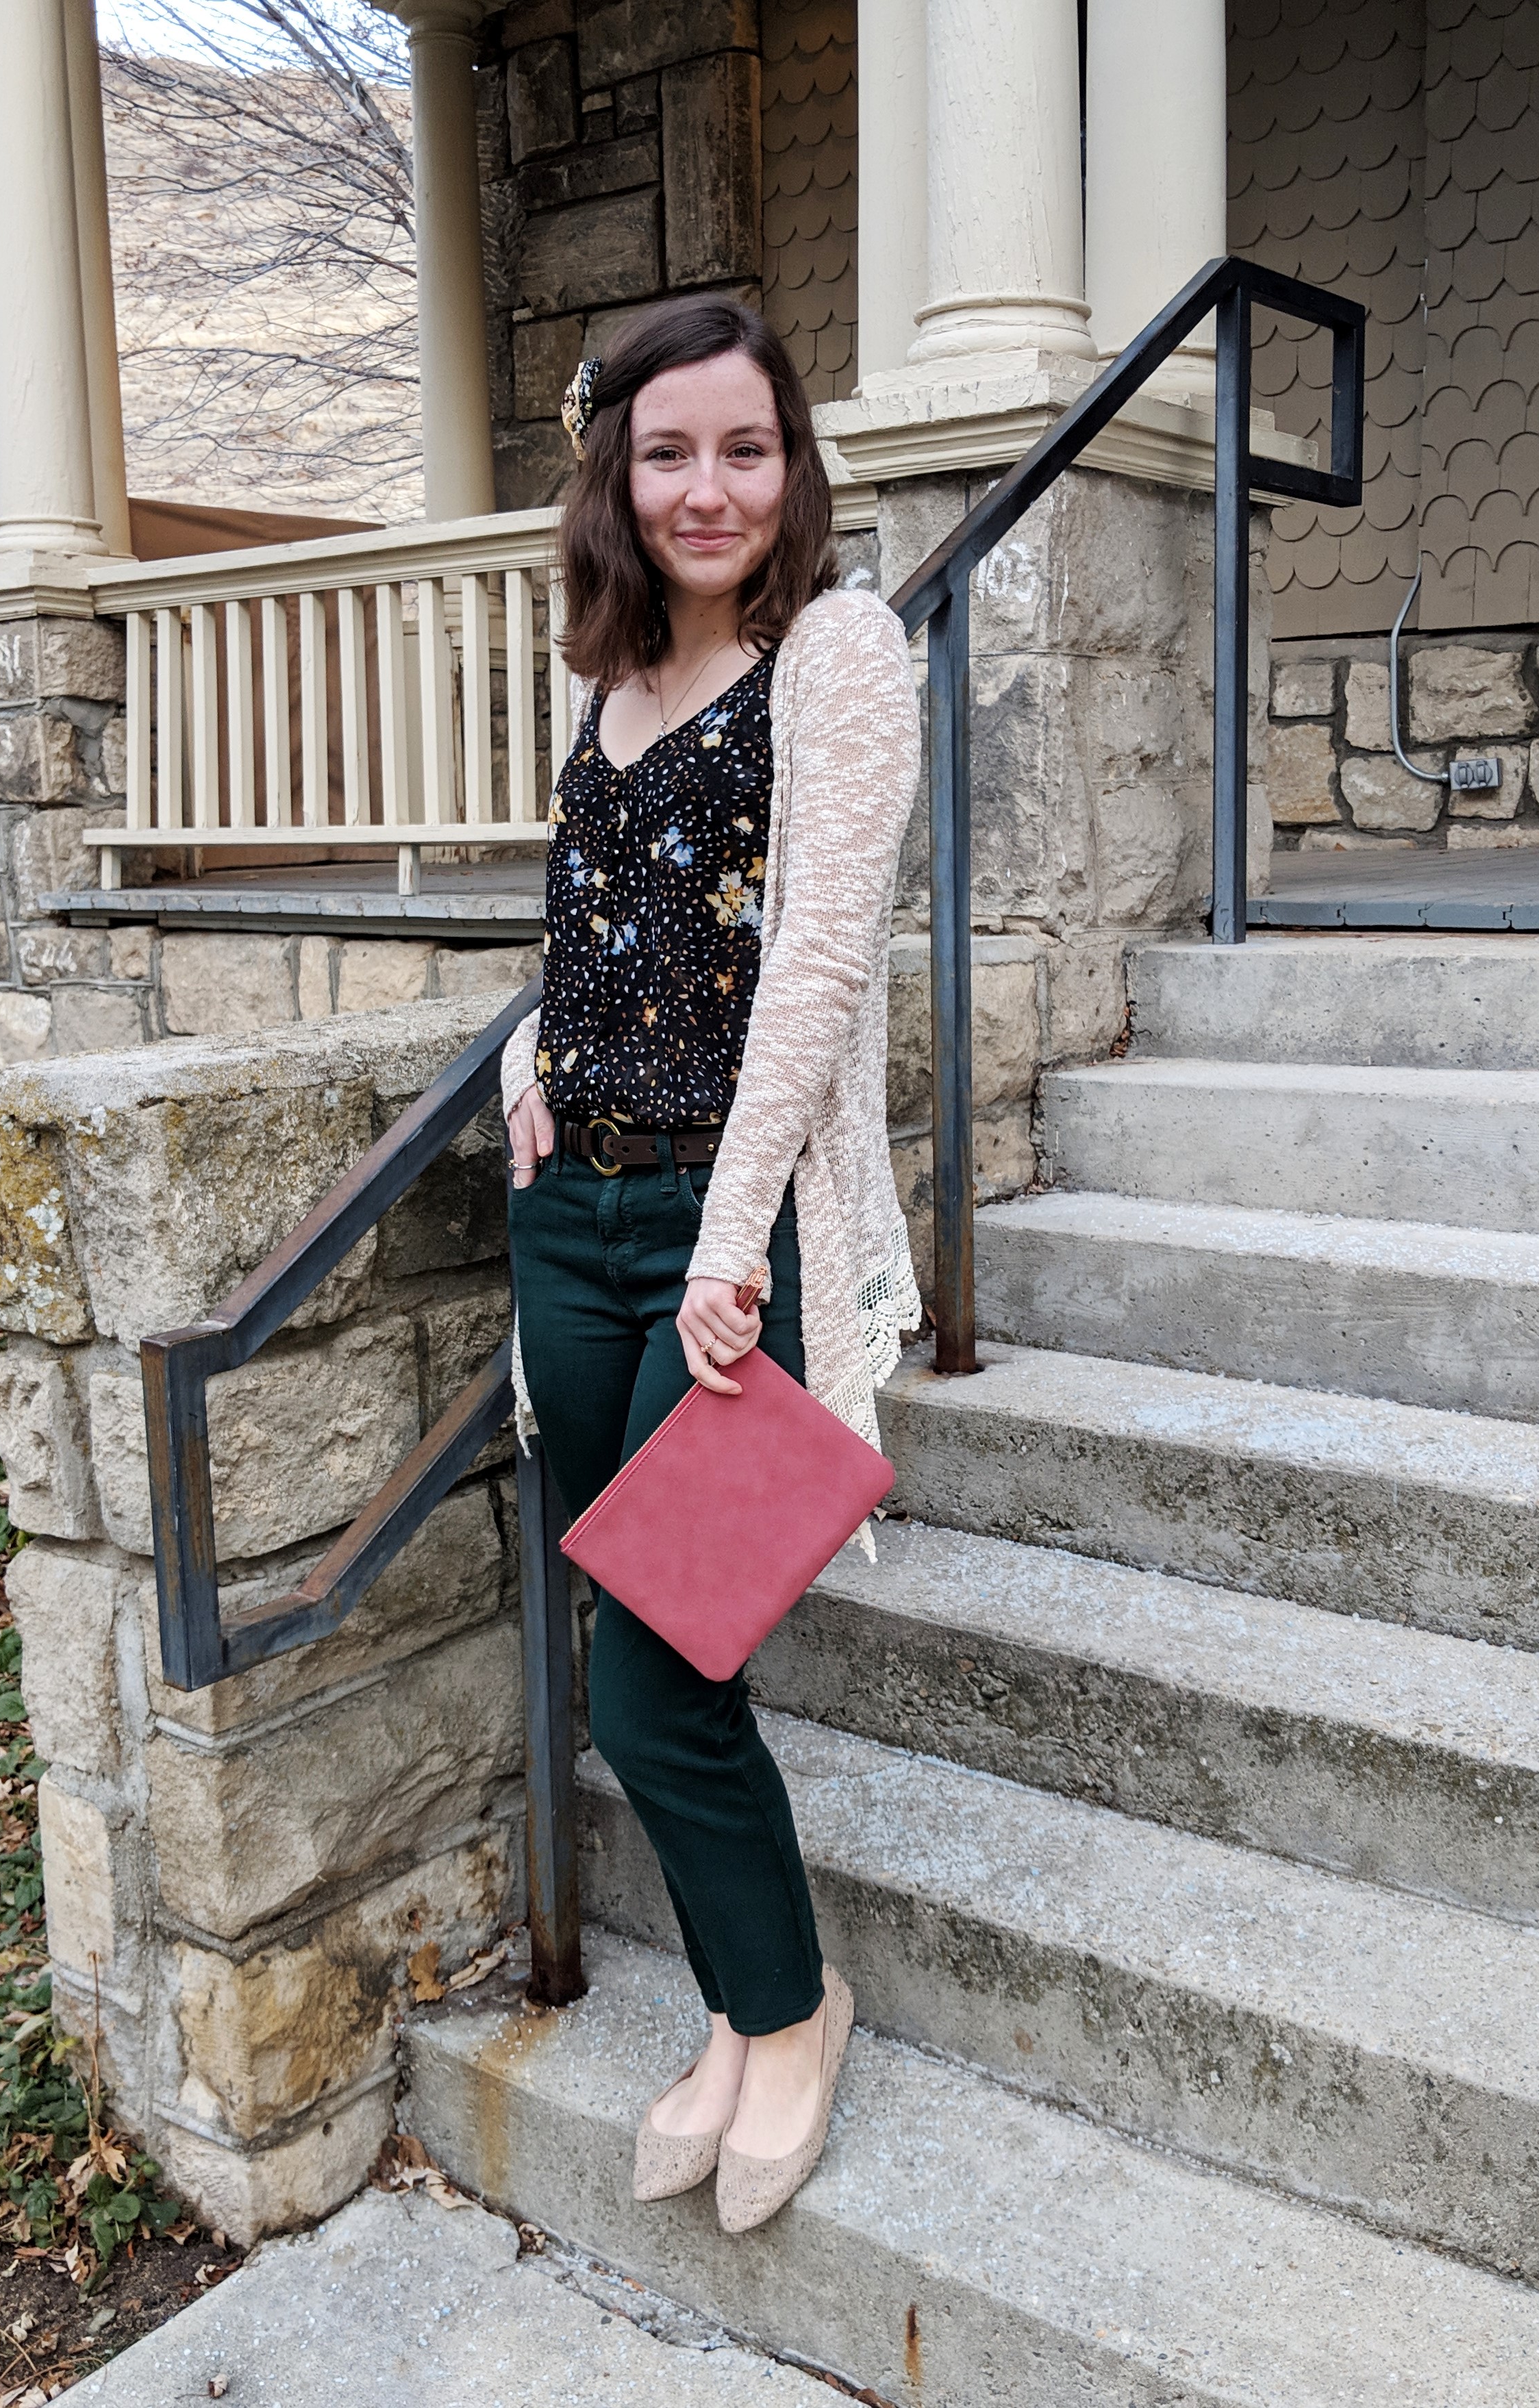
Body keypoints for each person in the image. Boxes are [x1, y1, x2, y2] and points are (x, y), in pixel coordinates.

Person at [501, 294, 922, 2234]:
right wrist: (533, 1056)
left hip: (715, 1235)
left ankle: (788, 2009)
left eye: (743, 449)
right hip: (570, 1225)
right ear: (617, 468)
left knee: (658, 1685)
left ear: (791, 465)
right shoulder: (607, 675)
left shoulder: (834, 652)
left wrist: (733, 1239)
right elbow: (596, 931)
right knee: (643, 1652)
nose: (706, 488)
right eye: (666, 450)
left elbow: (814, 973)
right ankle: (748, 2012)